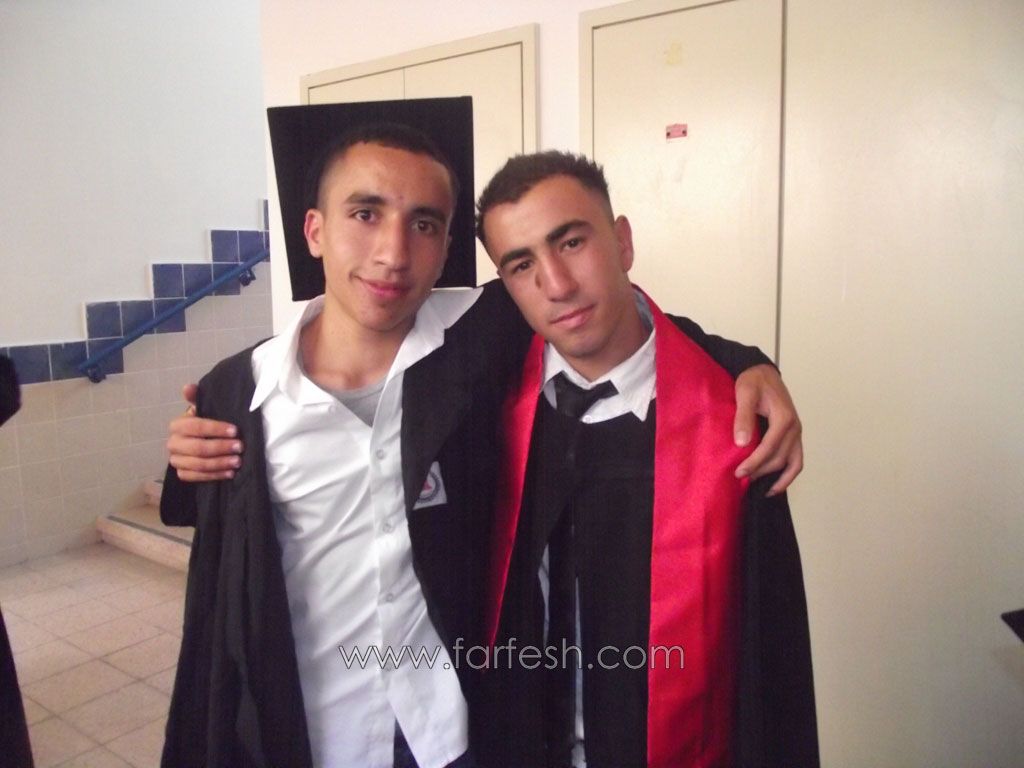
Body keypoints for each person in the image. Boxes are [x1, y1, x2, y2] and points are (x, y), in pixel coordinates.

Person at [161, 122, 803, 768]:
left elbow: (618, 322)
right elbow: (218, 585)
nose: (392, 253)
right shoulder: (240, 396)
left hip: (448, 733)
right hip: (312, 731)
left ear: (445, 250)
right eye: (365, 213)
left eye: (424, 224)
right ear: (314, 231)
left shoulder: (470, 344)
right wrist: (185, 458)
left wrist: (747, 364)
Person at [470, 151, 818, 767]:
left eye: (571, 242)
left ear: (622, 241)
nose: (557, 285)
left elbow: (774, 661)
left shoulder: (731, 427)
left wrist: (749, 363)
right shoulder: (486, 405)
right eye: (522, 265)